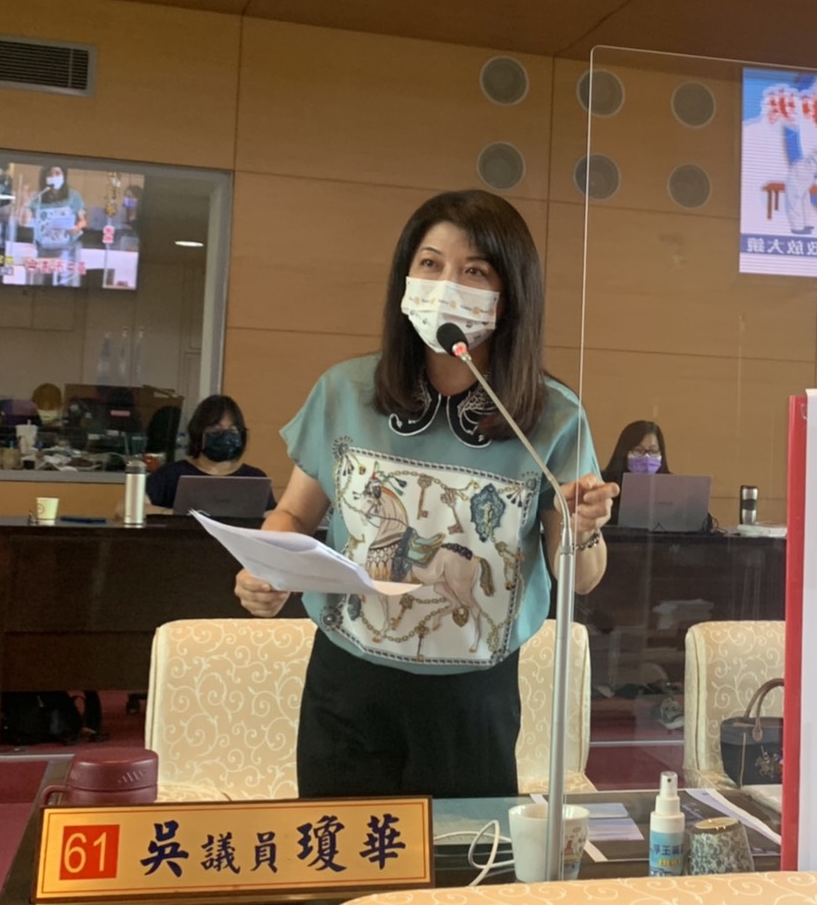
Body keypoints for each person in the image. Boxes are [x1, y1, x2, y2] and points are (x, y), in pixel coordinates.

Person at [233, 189, 617, 799]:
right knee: (344, 852)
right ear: (405, 277)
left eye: (475, 271)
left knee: (463, 858)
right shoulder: (344, 391)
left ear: (511, 293)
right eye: (431, 264)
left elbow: (584, 580)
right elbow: (294, 514)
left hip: (473, 698)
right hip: (348, 686)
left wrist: (584, 526)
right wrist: (267, 568)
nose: (446, 285)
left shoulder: (553, 417)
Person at [145, 395, 275, 512]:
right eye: (215, 430)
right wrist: (175, 515)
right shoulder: (171, 474)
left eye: (232, 430)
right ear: (198, 433)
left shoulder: (255, 478)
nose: (225, 436)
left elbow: (271, 514)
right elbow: (136, 507)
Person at [20, 164, 86, 286]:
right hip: (43, 247)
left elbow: (83, 221)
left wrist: (76, 228)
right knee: (40, 283)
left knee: (63, 283)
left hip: (66, 248)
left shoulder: (73, 195)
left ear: (64, 176)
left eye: (57, 173)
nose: (54, 176)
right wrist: (25, 202)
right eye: (50, 174)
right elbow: (25, 222)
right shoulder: (38, 196)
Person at [601, 419, 671, 525]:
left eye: (653, 451)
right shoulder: (605, 486)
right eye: (638, 450)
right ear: (624, 452)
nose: (647, 457)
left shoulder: (673, 488)